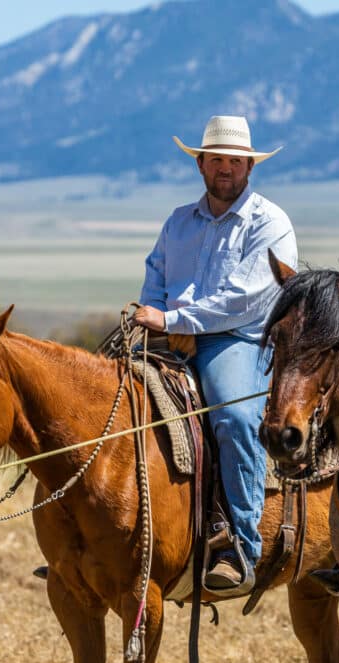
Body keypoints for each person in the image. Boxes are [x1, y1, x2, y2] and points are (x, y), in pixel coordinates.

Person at [134, 115, 298, 596]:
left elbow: (246, 297)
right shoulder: (178, 221)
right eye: (216, 160)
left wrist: (174, 322)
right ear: (200, 164)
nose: (225, 168)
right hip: (167, 334)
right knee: (106, 397)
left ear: (249, 166)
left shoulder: (269, 222)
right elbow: (155, 275)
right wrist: (157, 315)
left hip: (239, 339)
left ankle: (240, 546)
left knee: (233, 415)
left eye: (234, 161)